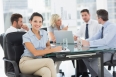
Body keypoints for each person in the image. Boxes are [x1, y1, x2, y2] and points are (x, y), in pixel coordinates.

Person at [19, 12, 62, 77]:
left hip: (38, 61)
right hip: (26, 63)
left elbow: (48, 45)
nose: (38, 24)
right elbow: (35, 53)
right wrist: (54, 50)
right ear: (31, 22)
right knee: (49, 61)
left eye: (40, 22)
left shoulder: (44, 33)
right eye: (35, 21)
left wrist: (46, 49)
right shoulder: (26, 36)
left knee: (46, 71)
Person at [82, 9, 116, 77]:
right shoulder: (103, 27)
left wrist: (89, 43)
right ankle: (95, 76)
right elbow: (95, 37)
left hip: (112, 53)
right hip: (103, 51)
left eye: (96, 17)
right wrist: (84, 41)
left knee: (95, 63)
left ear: (100, 18)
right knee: (85, 57)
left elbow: (105, 41)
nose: (96, 19)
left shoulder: (112, 27)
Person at [73, 9, 101, 77]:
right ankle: (84, 73)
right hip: (86, 47)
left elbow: (101, 35)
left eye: (85, 15)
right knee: (78, 55)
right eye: (82, 15)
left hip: (94, 46)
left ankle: (88, 74)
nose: (84, 17)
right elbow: (77, 34)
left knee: (82, 55)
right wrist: (74, 36)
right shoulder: (83, 26)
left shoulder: (96, 23)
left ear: (89, 15)